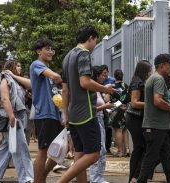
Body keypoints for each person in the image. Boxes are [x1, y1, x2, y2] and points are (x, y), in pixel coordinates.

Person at [58, 24, 114, 183]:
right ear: (91, 38)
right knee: (94, 153)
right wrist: (105, 89)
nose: (95, 46)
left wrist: (66, 114)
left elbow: (65, 90)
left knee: (80, 154)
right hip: (87, 112)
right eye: (95, 41)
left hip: (74, 114)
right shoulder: (83, 54)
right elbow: (85, 82)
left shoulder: (67, 56)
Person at [137, 54, 170, 183]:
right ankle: (140, 180)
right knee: (151, 157)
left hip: (158, 126)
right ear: (162, 66)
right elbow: (157, 101)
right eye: (169, 65)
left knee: (166, 154)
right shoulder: (158, 79)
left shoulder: (154, 78)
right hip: (155, 126)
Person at [0, 61, 33, 183]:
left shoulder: (16, 80)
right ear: (10, 68)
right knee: (20, 147)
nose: (20, 67)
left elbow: (31, 84)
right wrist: (11, 116)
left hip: (18, 115)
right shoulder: (4, 80)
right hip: (11, 115)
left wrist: (14, 75)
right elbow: (5, 99)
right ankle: (26, 177)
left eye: (20, 65)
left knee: (8, 145)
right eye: (17, 65)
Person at [30, 38, 63, 183]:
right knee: (43, 151)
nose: (50, 52)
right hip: (44, 113)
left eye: (52, 49)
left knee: (60, 150)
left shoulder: (45, 69)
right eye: (47, 49)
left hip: (55, 114)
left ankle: (41, 177)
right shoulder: (37, 65)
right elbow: (56, 77)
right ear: (38, 51)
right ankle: (38, 180)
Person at [126, 60, 152, 183]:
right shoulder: (137, 82)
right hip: (135, 119)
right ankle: (135, 177)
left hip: (135, 119)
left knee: (140, 148)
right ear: (144, 71)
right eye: (149, 71)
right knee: (142, 148)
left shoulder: (137, 81)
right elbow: (134, 102)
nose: (150, 73)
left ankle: (134, 177)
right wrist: (151, 104)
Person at [89, 65, 115, 183]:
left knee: (102, 149)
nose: (105, 77)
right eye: (103, 74)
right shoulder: (92, 88)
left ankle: (99, 177)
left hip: (100, 119)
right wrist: (106, 106)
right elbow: (91, 108)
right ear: (97, 75)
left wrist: (109, 106)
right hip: (94, 120)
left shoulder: (98, 89)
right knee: (98, 149)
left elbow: (102, 104)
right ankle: (95, 178)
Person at [109, 69, 130, 157]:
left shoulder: (112, 86)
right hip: (125, 109)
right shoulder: (126, 86)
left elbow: (107, 99)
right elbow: (129, 98)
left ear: (114, 76)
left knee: (118, 130)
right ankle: (128, 149)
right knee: (125, 130)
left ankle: (120, 151)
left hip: (116, 109)